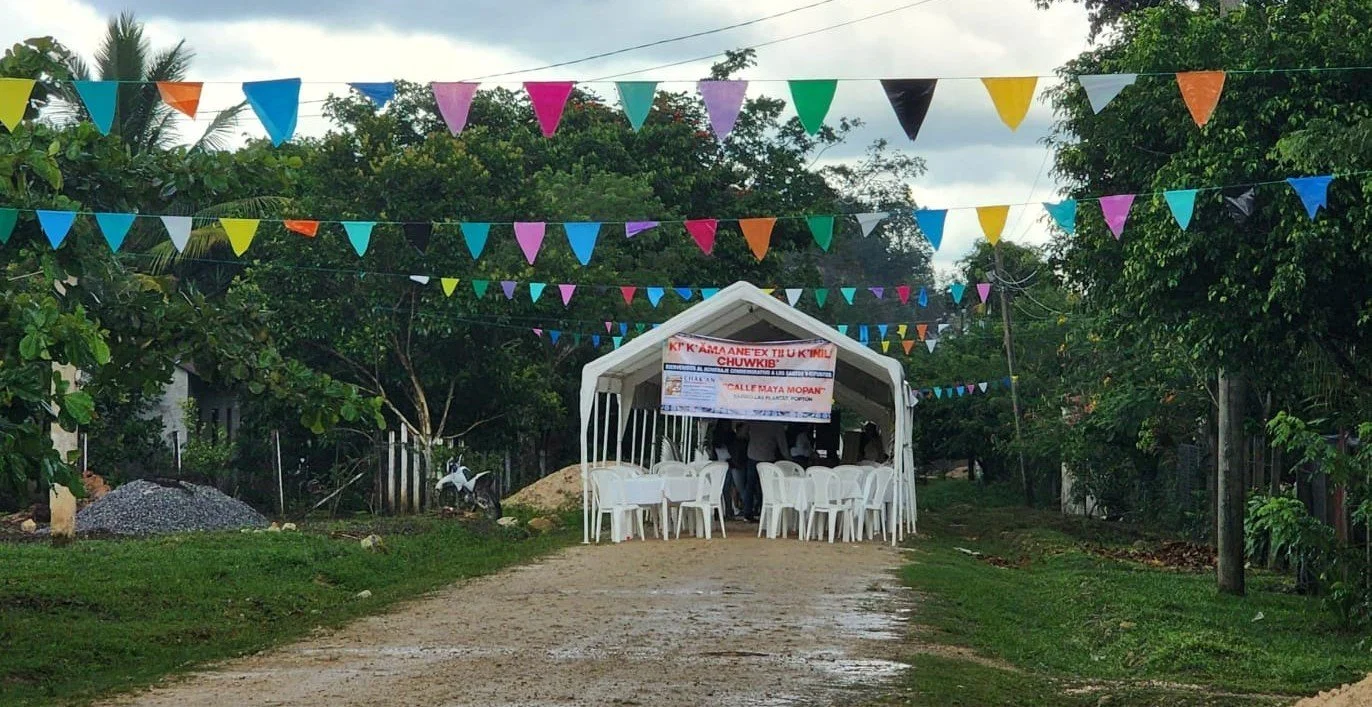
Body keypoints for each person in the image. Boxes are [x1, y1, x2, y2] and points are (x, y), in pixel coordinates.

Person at [743, 420, 790, 522]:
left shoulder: (755, 421)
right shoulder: (777, 425)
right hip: (767, 458)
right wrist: (789, 459)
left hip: (752, 456)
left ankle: (747, 513)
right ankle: (764, 512)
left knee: (750, 486)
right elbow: (783, 445)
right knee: (766, 487)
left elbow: (742, 433)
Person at [711, 420, 742, 520]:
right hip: (724, 464)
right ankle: (726, 511)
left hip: (723, 464)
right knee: (725, 489)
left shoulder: (717, 435)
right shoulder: (729, 435)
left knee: (725, 489)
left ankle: (725, 511)